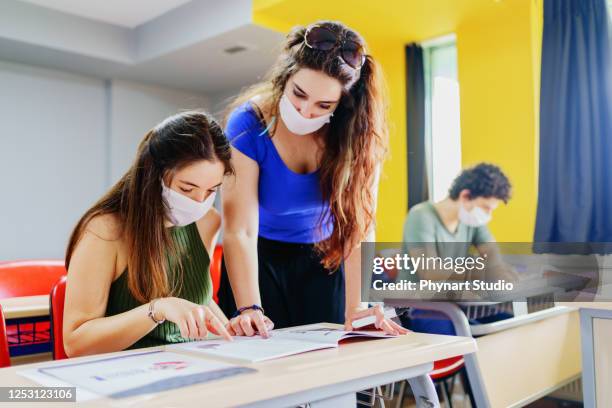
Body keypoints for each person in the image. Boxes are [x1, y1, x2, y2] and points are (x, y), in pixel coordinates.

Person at [218, 20, 407, 336]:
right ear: (285, 78)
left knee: (331, 357)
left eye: (324, 105)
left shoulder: (357, 135)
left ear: (342, 103)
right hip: (257, 255)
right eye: (298, 94)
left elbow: (359, 227)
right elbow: (239, 230)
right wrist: (249, 308)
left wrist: (358, 308)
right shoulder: (248, 124)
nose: (305, 112)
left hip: (325, 257)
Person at [63, 111, 233, 357]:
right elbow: (76, 344)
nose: (199, 202)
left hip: (186, 364)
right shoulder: (105, 230)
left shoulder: (207, 221)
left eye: (211, 191)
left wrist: (232, 331)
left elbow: (198, 299)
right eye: (187, 188)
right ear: (154, 176)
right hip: (122, 373)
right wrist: (156, 310)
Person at [402, 162, 513, 334]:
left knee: (508, 324)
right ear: (465, 196)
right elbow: (431, 274)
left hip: (457, 304)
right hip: (420, 306)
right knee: (459, 335)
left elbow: (493, 259)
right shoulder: (421, 216)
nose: (488, 216)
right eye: (486, 208)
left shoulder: (471, 221)